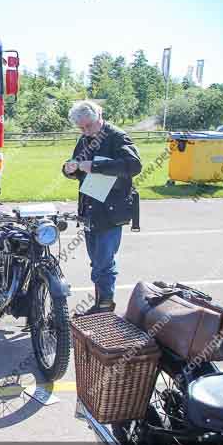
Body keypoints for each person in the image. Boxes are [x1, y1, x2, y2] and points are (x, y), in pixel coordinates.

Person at [63, 101, 142, 315]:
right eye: (82, 128)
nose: (86, 131)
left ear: (100, 115)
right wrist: (70, 168)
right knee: (97, 262)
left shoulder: (117, 137)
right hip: (90, 209)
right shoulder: (84, 139)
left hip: (110, 210)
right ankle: (101, 305)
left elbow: (134, 166)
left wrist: (96, 167)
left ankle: (103, 308)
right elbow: (78, 165)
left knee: (104, 263)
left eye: (89, 125)